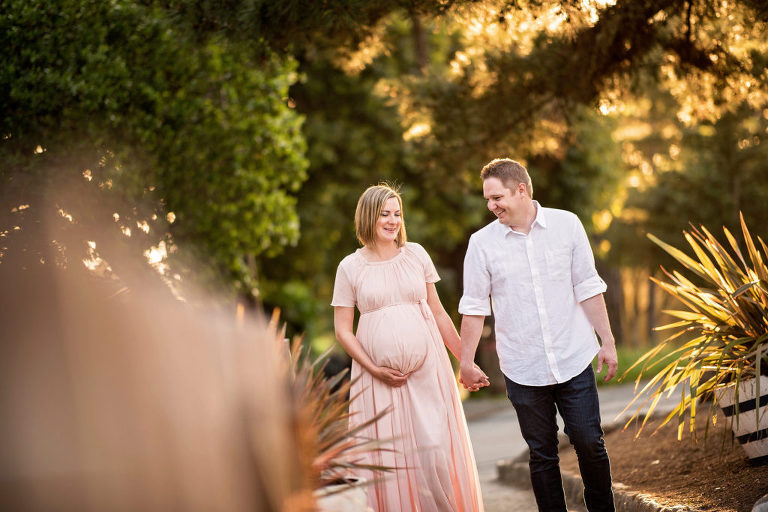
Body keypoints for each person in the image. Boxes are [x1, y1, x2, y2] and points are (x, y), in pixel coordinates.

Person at [457, 158, 618, 512]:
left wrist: (606, 341)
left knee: (589, 442)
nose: (491, 206)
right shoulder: (482, 244)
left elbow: (588, 287)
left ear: (522, 190)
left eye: (496, 197)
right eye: (487, 199)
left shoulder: (567, 224)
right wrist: (465, 362)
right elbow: (473, 307)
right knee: (542, 454)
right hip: (522, 365)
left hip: (573, 356)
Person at [332, 184, 487, 511]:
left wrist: (467, 361)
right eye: (384, 214)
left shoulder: (415, 254)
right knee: (395, 460)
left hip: (428, 371)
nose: (393, 221)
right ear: (368, 218)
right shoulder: (350, 267)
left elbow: (439, 312)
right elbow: (343, 330)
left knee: (434, 450)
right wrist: (373, 368)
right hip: (377, 378)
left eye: (397, 214)